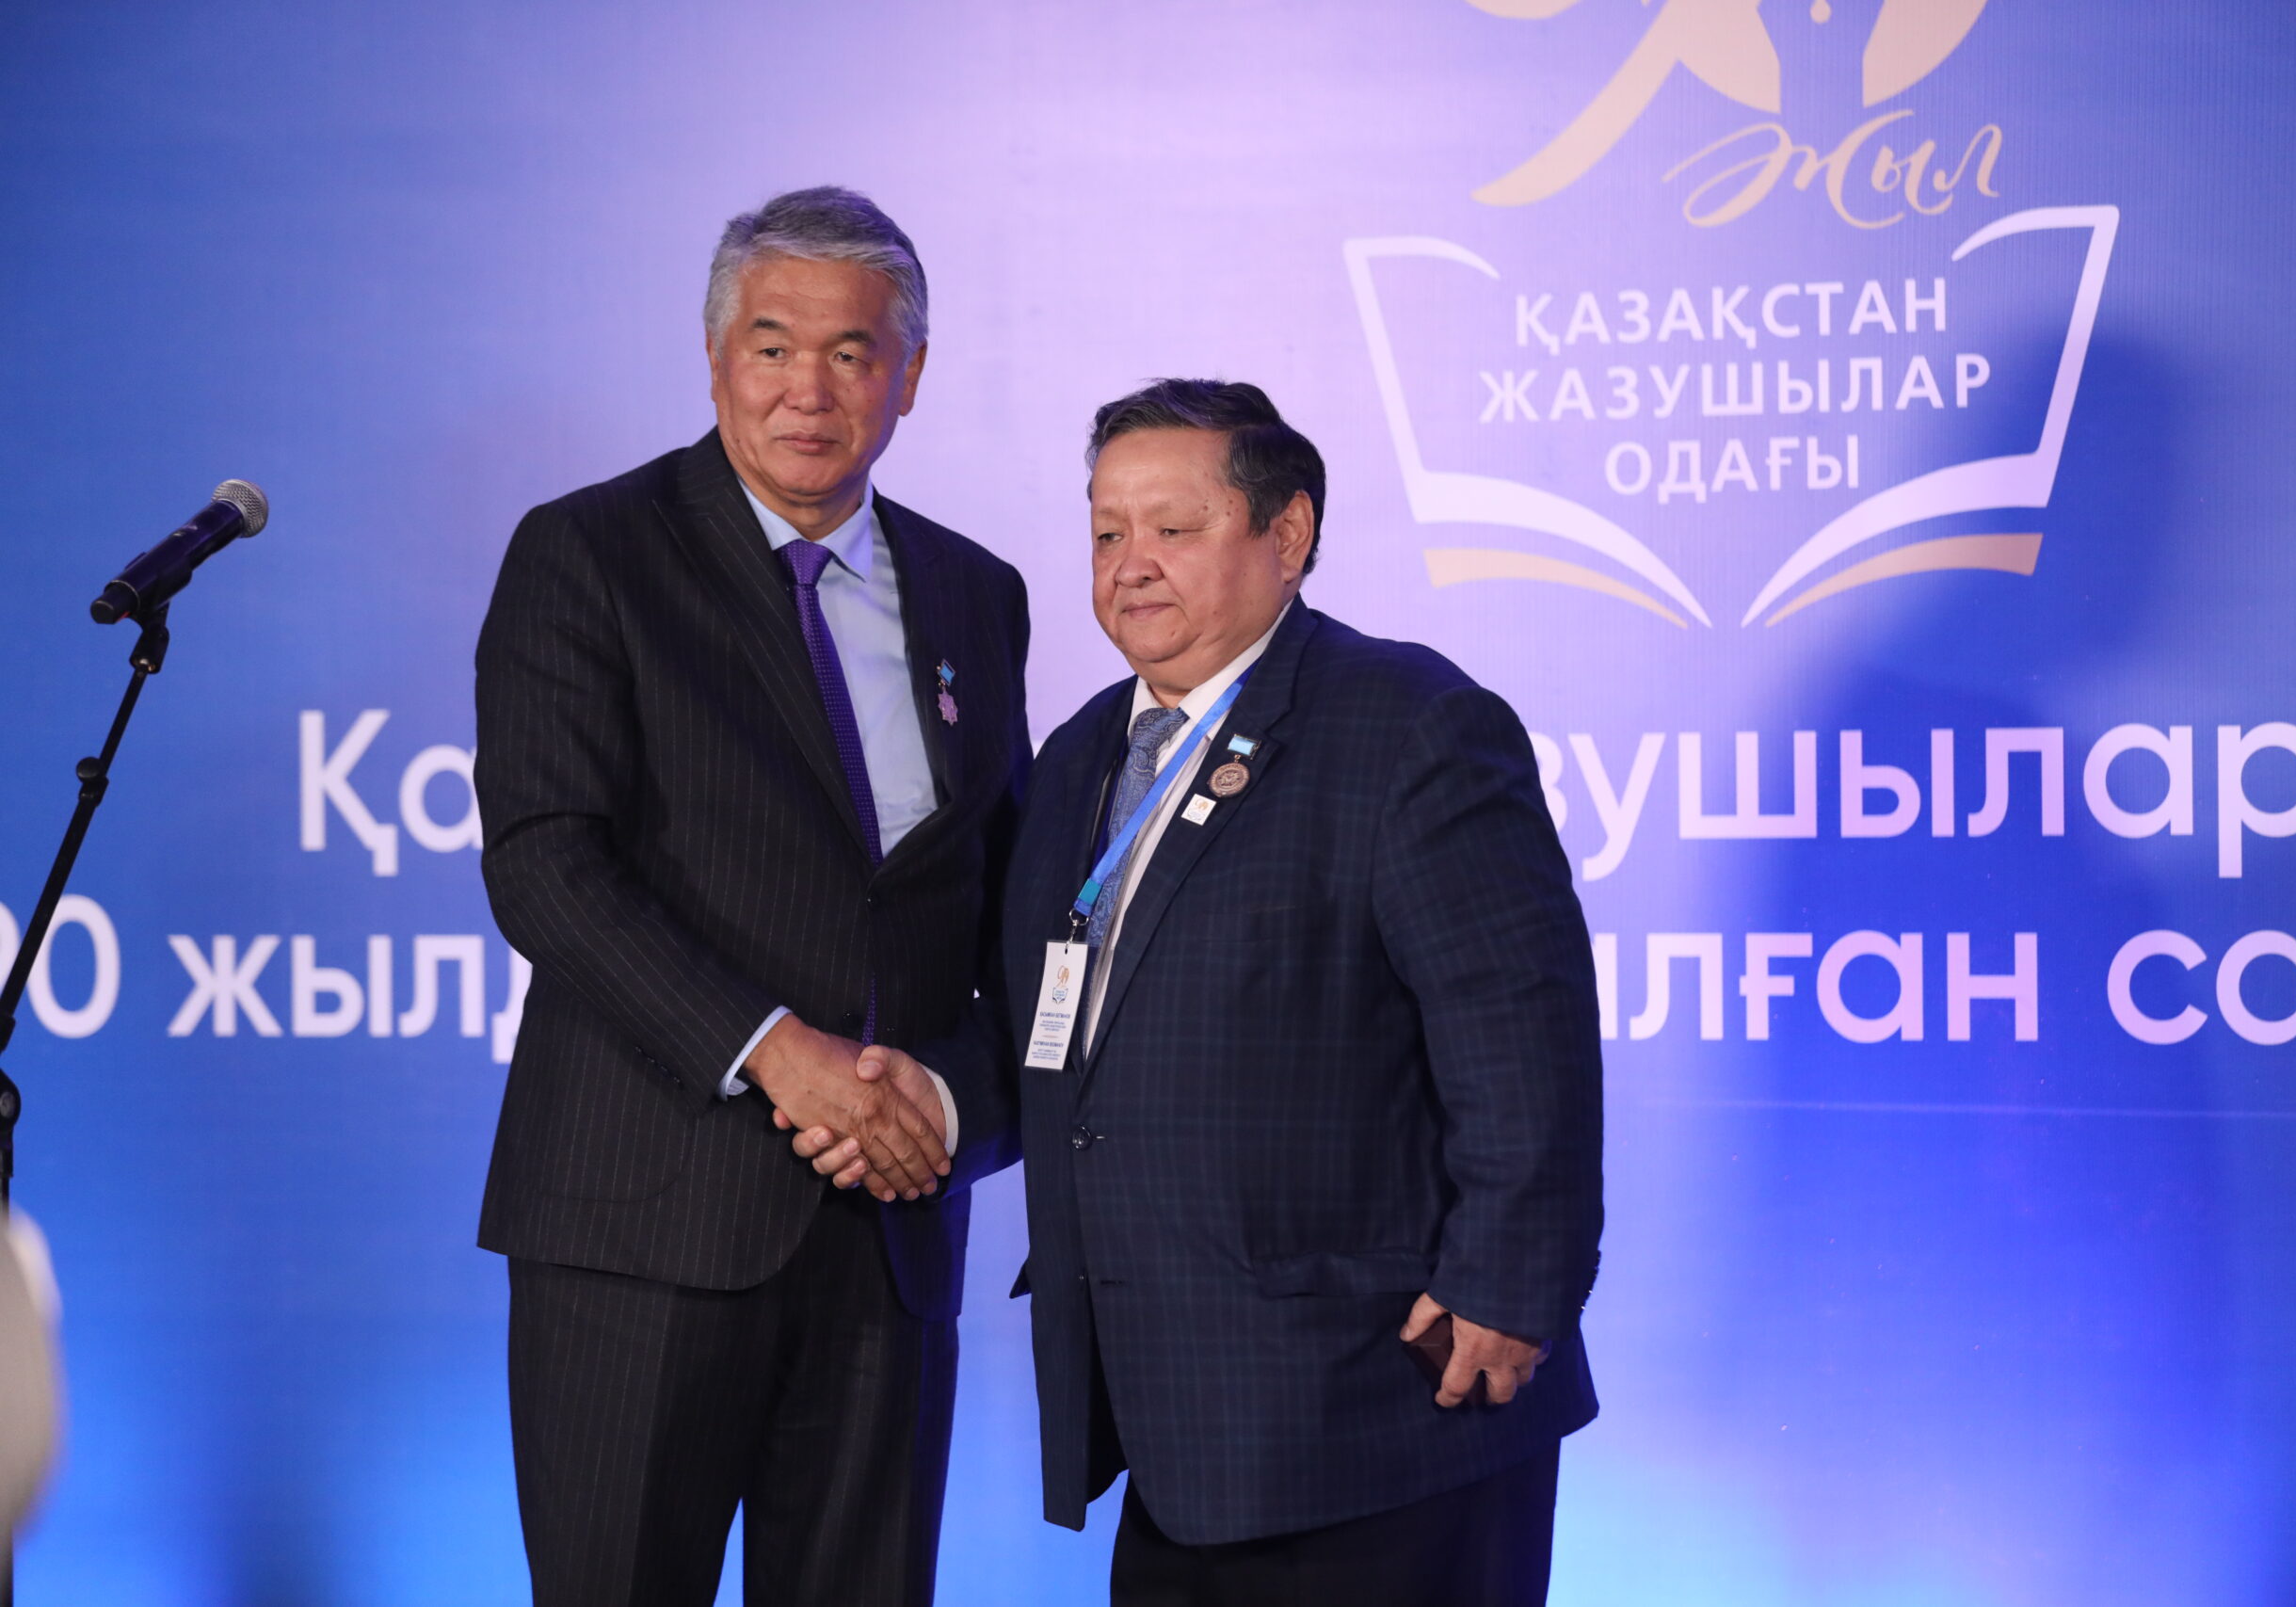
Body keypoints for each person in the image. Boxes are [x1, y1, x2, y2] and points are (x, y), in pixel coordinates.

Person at [802, 379, 1601, 1605]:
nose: (1132, 564)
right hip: (1179, 1426)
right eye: (1107, 531)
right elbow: (1052, 1028)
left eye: (1173, 528)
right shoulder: (1080, 757)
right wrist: (933, 1103)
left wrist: (1512, 1281)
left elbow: (1521, 1036)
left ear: (1288, 535)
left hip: (1392, 1405)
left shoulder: (1408, 725)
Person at [474, 185, 1027, 1607]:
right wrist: (778, 1053)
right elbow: (544, 860)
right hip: (642, 1227)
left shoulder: (978, 593)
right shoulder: (588, 554)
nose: (808, 391)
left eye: (852, 352)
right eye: (773, 347)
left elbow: (1007, 917)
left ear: (910, 372)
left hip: (888, 1240)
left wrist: (943, 1108)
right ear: (716, 356)